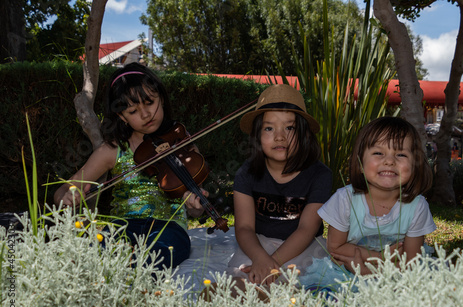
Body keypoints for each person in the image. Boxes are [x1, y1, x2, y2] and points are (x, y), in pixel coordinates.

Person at [54, 62, 206, 270]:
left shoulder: (181, 143)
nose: (145, 114)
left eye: (150, 102)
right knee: (93, 252)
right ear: (121, 116)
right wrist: (67, 196)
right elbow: (65, 188)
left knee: (160, 255)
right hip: (122, 226)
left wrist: (195, 206)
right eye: (133, 110)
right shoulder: (112, 150)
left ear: (161, 98)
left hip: (169, 227)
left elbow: (197, 211)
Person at [301, 116, 436, 291]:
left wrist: (370, 271)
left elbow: (410, 263)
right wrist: (379, 257)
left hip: (398, 272)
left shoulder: (417, 207)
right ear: (360, 160)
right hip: (345, 270)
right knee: (326, 296)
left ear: (415, 164)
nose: (389, 161)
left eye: (401, 154)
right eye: (378, 153)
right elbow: (335, 248)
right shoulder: (345, 199)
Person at [227, 84, 333, 288]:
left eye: (289, 127)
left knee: (302, 281)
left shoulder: (320, 175)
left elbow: (306, 229)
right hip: (257, 245)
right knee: (241, 277)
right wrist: (260, 259)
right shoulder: (246, 174)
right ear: (257, 135)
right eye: (269, 128)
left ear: (304, 133)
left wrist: (271, 264)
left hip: (303, 245)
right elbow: (244, 227)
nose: (279, 136)